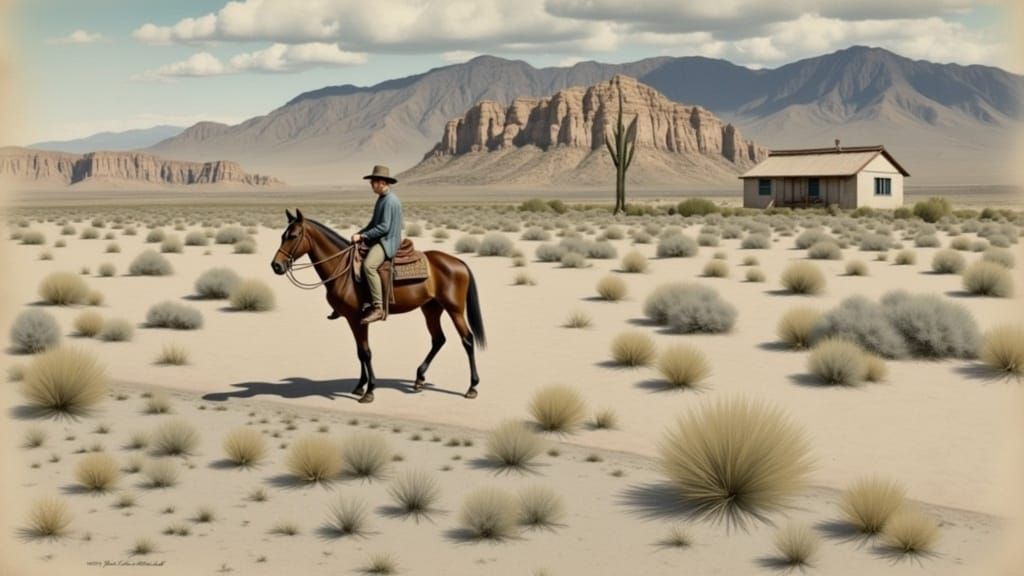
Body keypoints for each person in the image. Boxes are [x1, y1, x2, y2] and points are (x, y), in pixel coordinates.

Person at [351, 165, 403, 324]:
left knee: (369, 266)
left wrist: (364, 235)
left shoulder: (390, 200)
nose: (371, 185)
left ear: (381, 182)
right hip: (380, 238)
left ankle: (378, 307)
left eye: (373, 182)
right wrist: (359, 234)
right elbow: (373, 223)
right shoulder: (382, 198)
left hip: (387, 241)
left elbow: (384, 227)